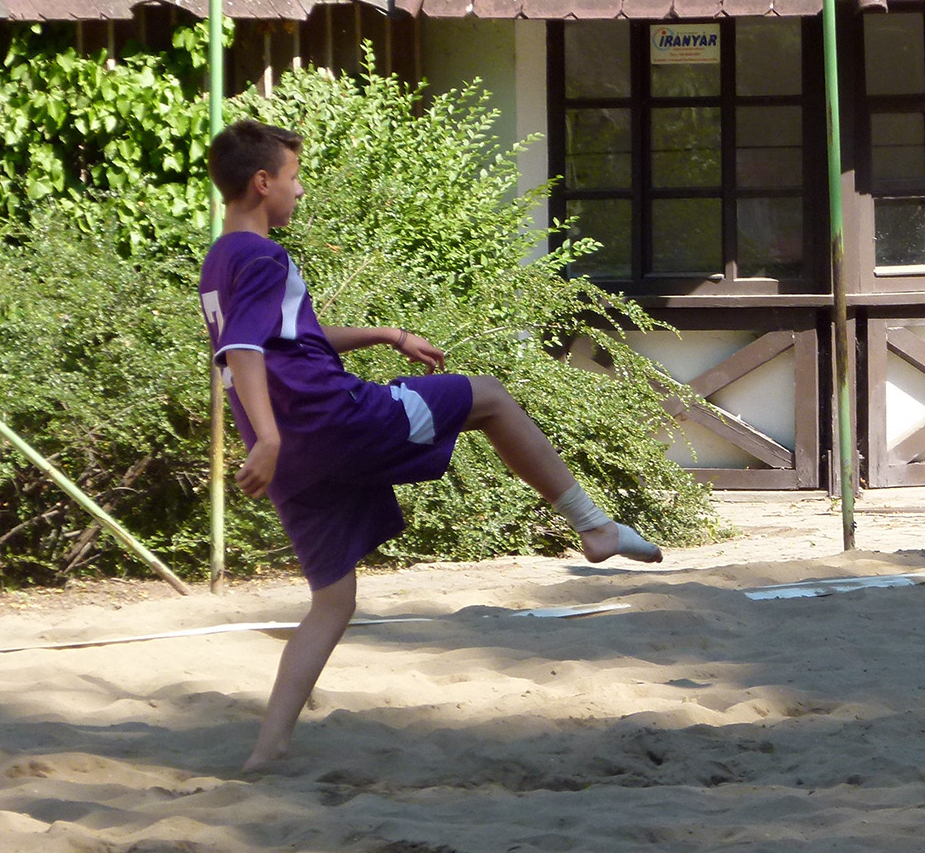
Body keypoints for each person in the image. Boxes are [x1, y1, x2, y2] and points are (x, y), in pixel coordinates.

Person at [199, 119, 661, 772]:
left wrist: (388, 335)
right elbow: (243, 349)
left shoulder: (219, 259)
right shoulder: (262, 255)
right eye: (294, 178)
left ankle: (266, 751)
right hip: (332, 422)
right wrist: (269, 436)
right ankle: (594, 526)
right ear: (262, 182)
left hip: (295, 458)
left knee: (333, 602)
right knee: (490, 397)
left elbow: (291, 339)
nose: (300, 191)